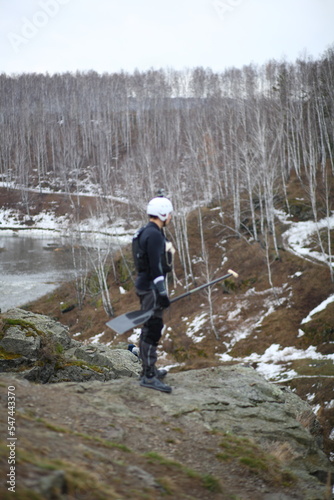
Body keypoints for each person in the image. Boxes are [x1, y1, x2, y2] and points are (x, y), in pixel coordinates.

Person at [133, 195, 174, 393]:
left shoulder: (145, 231)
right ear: (163, 214)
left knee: (151, 327)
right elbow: (155, 267)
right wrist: (162, 293)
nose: (171, 217)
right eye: (170, 214)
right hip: (150, 288)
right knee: (152, 327)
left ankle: (149, 370)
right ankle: (148, 376)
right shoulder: (155, 235)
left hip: (145, 285)